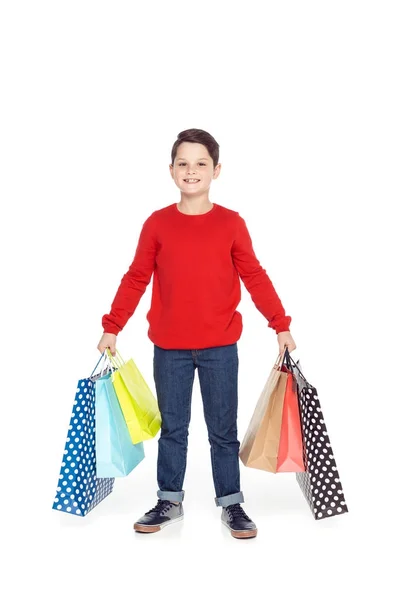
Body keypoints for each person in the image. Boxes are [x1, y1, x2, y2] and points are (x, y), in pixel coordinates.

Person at [97, 128, 296, 539]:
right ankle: (169, 500)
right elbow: (136, 278)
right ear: (171, 171)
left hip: (220, 347)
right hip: (169, 348)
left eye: (201, 163)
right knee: (173, 428)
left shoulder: (231, 224)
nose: (192, 171)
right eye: (183, 163)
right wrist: (112, 326)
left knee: (222, 430)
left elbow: (255, 276)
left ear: (216, 170)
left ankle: (231, 503)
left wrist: (281, 324)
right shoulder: (157, 224)